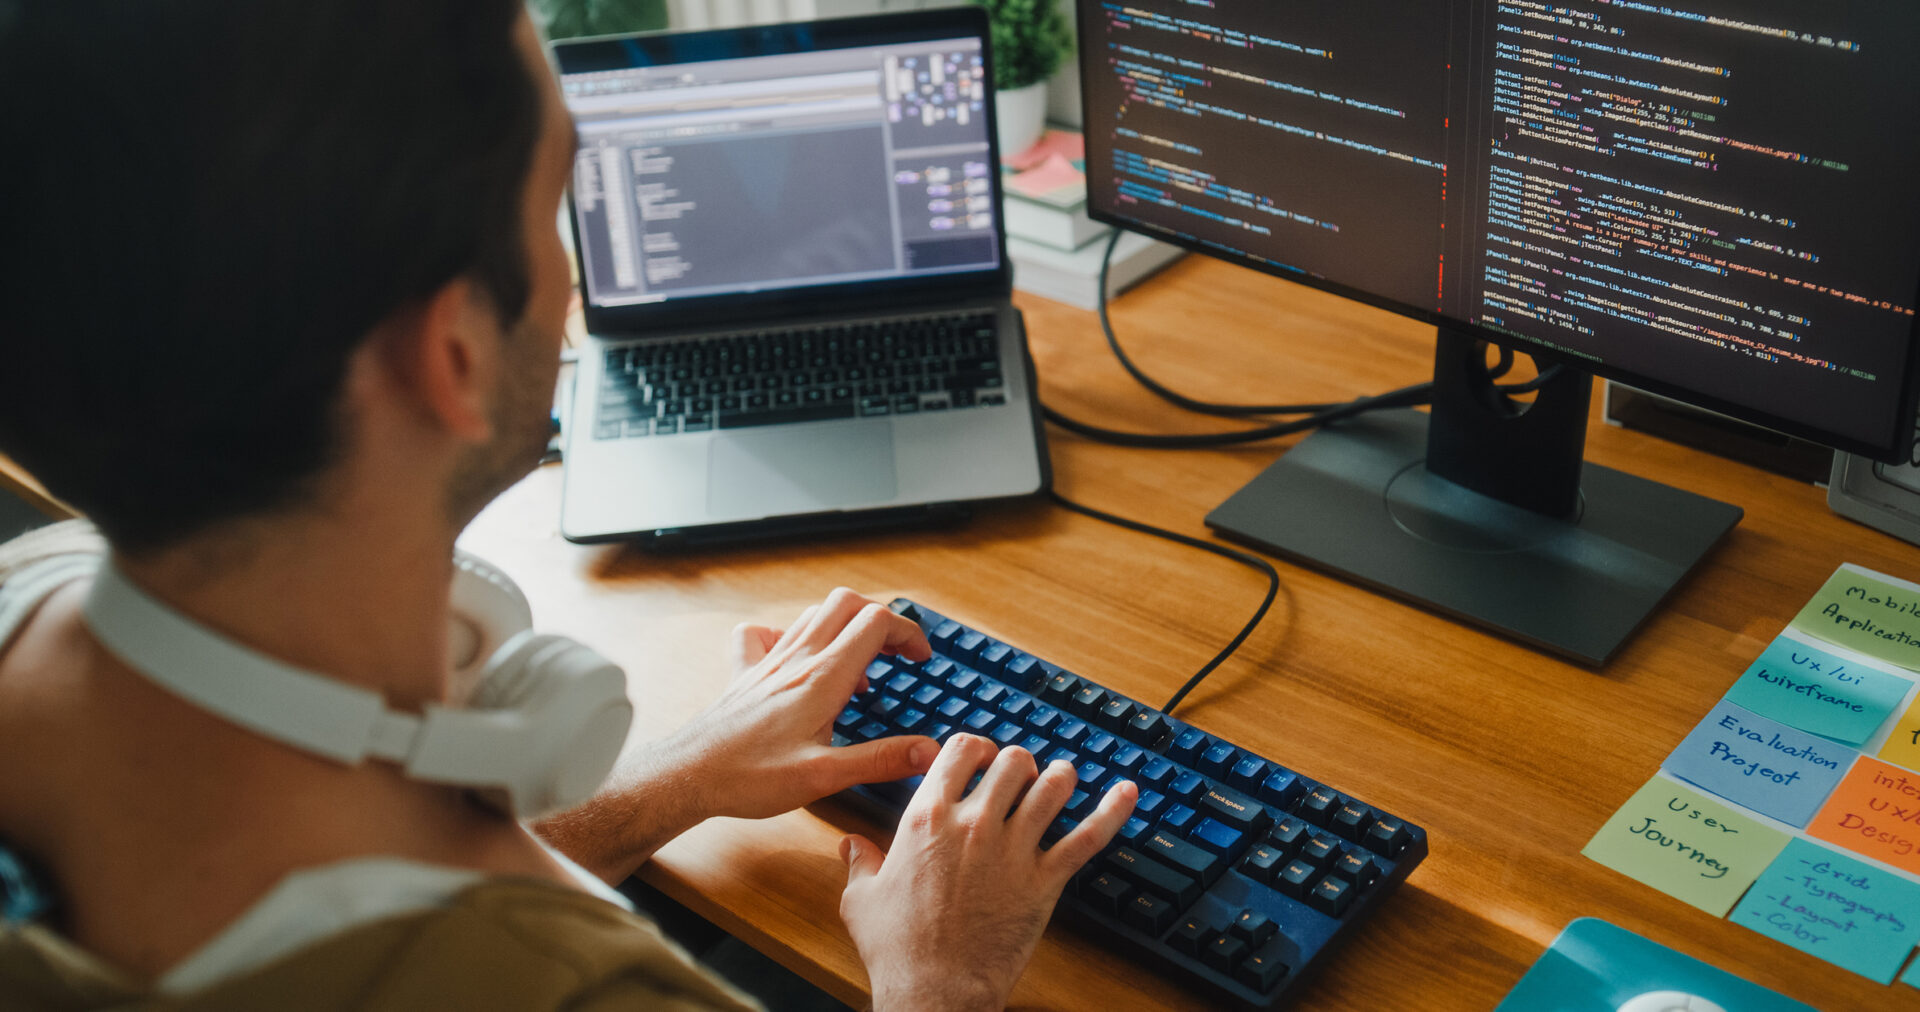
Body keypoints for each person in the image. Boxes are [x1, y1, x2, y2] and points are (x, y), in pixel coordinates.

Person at [0, 2, 1137, 1009]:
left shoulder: (29, 590)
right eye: (556, 205)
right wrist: (939, 983)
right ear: (453, 351)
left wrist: (671, 778)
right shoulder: (589, 989)